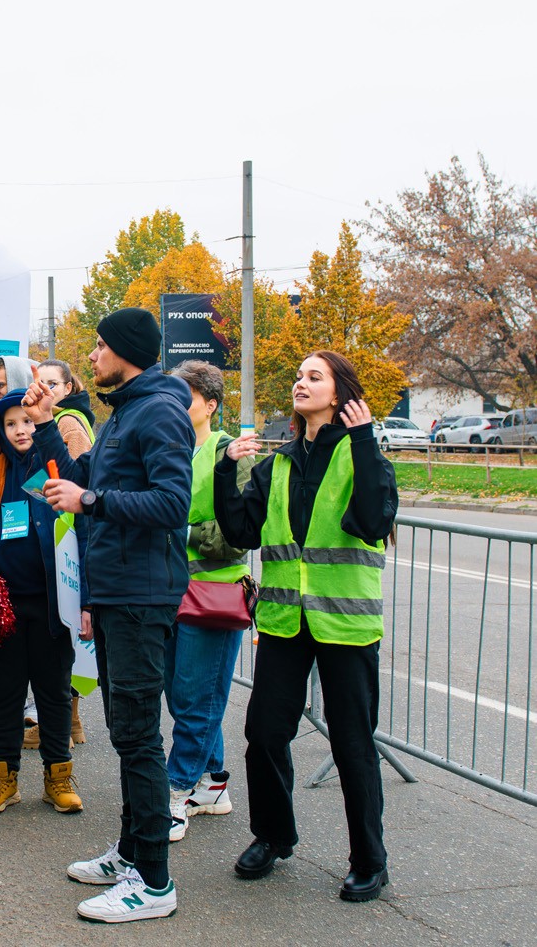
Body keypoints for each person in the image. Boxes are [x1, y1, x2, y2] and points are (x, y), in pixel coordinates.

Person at [26, 307, 193, 924]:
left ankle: (153, 883)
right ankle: (130, 853)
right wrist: (45, 427)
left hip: (143, 595)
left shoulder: (159, 411)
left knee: (137, 735)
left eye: (99, 346)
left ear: (127, 351)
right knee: (129, 730)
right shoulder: (126, 410)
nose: (91, 355)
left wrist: (90, 499)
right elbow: (74, 478)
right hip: (117, 591)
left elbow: (173, 504)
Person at [213, 350, 397, 903]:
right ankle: (273, 836)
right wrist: (226, 470)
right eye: (298, 375)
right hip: (284, 621)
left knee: (351, 744)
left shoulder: (362, 454)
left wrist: (363, 441)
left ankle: (370, 859)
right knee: (265, 733)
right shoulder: (277, 464)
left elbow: (373, 520)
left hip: (344, 623)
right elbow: (243, 531)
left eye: (313, 376)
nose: (300, 382)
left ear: (339, 395)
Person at [0, 389, 86, 815]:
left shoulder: (57, 467)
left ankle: (58, 777)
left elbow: (82, 515)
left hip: (53, 603)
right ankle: (2, 779)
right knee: (6, 695)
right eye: (11, 423)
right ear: (0, 431)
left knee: (54, 694)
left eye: (27, 421)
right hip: (2, 606)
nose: (20, 429)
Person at [164, 361, 253, 842]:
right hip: (172, 590)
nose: (177, 404)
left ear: (210, 405)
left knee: (197, 697)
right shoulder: (174, 447)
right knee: (181, 695)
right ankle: (214, 782)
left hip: (214, 593)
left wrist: (174, 527)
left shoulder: (229, 451)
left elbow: (236, 536)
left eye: (188, 396)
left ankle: (176, 794)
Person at [38, 358, 97, 747]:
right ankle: (62, 719)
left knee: (67, 629)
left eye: (52, 384)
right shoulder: (52, 418)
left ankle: (68, 720)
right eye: (39, 382)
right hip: (59, 530)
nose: (45, 389)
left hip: (70, 534)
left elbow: (75, 478)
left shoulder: (68, 423)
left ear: (68, 386)